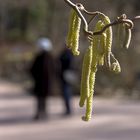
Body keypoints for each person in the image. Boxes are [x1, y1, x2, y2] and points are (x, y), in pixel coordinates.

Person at [30, 38, 54, 120]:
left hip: (41, 83)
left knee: (41, 99)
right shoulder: (49, 58)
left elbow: (32, 70)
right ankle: (42, 113)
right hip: (44, 83)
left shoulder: (43, 58)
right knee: (42, 99)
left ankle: (41, 113)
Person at [58, 47, 74, 116]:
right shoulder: (70, 54)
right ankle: (68, 109)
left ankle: (68, 109)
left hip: (66, 75)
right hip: (68, 74)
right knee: (67, 91)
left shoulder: (65, 54)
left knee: (66, 91)